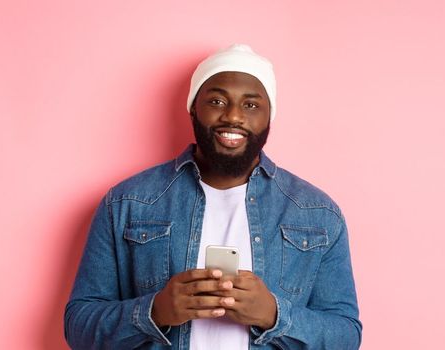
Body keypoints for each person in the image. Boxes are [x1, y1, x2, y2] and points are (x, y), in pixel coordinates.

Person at [64, 44, 361, 349]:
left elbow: (346, 336)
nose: (233, 116)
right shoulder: (126, 203)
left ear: (270, 115)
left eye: (251, 105)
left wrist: (274, 316)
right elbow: (79, 327)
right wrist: (155, 312)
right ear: (193, 107)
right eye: (217, 101)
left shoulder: (317, 213)